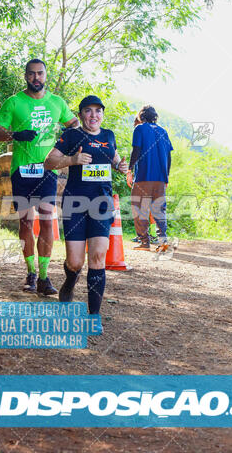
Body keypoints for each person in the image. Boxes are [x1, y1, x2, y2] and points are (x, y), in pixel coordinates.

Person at [0, 59, 79, 294]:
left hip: (47, 169)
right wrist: (15, 134)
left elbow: (74, 124)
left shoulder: (56, 102)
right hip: (22, 170)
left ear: (46, 76)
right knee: (27, 222)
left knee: (48, 220)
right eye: (31, 74)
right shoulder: (15, 102)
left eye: (40, 74)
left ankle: (44, 276)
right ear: (26, 76)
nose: (36, 78)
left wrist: (64, 143)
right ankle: (30, 272)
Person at [44, 95, 128, 317]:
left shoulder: (109, 135)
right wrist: (72, 160)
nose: (94, 115)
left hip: (102, 203)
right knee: (75, 262)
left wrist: (121, 165)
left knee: (98, 257)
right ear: (81, 114)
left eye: (98, 111)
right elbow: (49, 162)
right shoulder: (72, 135)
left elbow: (115, 159)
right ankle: (71, 279)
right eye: (88, 111)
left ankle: (94, 315)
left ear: (102, 114)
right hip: (75, 203)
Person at [127, 105, 173, 252]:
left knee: (140, 209)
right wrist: (166, 177)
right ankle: (163, 242)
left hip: (143, 177)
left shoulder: (139, 129)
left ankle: (144, 242)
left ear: (141, 116)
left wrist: (129, 169)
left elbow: (136, 150)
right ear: (155, 117)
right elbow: (169, 156)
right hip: (160, 178)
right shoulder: (163, 131)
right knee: (159, 209)